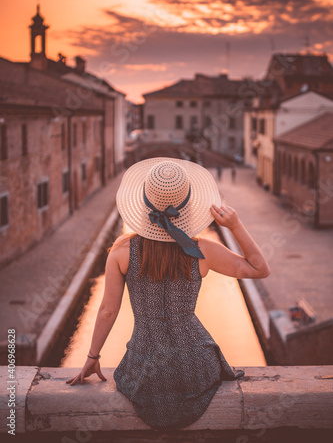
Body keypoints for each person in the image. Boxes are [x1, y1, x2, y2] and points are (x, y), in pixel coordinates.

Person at [66, 158, 270, 430]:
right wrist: (234, 225)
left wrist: (92, 357)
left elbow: (107, 311)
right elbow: (259, 269)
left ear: (142, 203)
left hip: (144, 367)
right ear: (187, 207)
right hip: (196, 366)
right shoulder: (202, 251)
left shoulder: (121, 252)